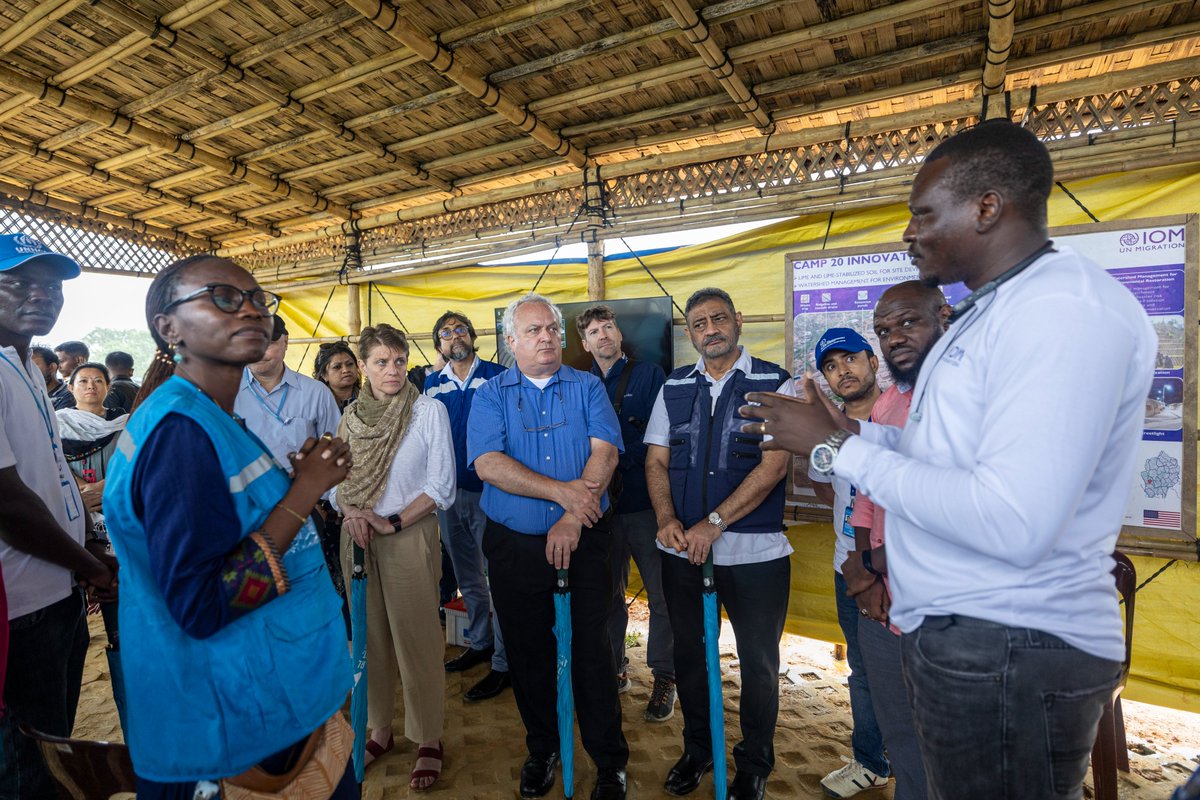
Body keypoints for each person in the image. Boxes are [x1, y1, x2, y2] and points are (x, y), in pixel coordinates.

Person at [741, 120, 1157, 800]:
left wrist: (839, 446)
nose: (909, 233)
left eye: (923, 213)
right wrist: (843, 433)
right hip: (969, 637)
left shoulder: (1061, 310)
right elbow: (937, 460)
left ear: (987, 207)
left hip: (1011, 647)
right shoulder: (992, 315)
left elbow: (1011, 518)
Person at [103, 254, 355, 800]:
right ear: (168, 328)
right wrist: (307, 490)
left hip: (275, 707)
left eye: (258, 299)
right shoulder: (178, 434)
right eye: (222, 297)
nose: (249, 309)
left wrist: (294, 486)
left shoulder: (211, 416)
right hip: (232, 737)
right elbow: (203, 603)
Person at [468, 293, 629, 800]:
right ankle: (543, 750)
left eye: (553, 330)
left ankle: (609, 762)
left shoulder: (587, 387)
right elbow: (488, 463)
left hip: (584, 540)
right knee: (528, 652)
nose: (547, 339)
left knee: (592, 653)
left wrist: (570, 519)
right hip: (513, 544)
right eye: (534, 331)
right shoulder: (491, 395)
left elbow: (605, 452)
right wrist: (563, 495)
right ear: (511, 341)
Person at [644, 287, 794, 800]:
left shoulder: (775, 382)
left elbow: (775, 466)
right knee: (690, 657)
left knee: (758, 664)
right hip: (682, 552)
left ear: (738, 321)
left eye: (719, 318)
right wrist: (666, 518)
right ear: (689, 333)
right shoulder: (674, 386)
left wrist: (714, 521)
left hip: (756, 555)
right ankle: (698, 749)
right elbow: (656, 461)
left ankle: (754, 763)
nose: (711, 328)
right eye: (700, 322)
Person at [0, 234, 116, 799]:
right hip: (20, 605)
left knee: (52, 750)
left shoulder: (25, 365)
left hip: (57, 589)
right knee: (28, 765)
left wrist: (87, 549)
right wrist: (90, 565)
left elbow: (49, 475)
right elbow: (8, 503)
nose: (40, 294)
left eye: (50, 285)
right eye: (18, 281)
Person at [331, 323, 455, 790]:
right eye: (381, 362)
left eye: (399, 361)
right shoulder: (351, 417)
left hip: (408, 534)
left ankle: (428, 738)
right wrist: (350, 511)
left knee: (417, 637)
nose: (392, 370)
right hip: (358, 535)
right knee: (369, 638)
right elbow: (334, 480)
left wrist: (394, 521)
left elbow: (441, 485)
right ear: (362, 367)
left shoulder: (427, 412)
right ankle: (378, 728)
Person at [840, 282, 950, 800]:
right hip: (886, 609)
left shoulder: (969, 397)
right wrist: (863, 570)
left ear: (944, 316)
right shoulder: (890, 402)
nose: (894, 339)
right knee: (904, 744)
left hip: (947, 616)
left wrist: (869, 564)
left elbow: (948, 517)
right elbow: (868, 494)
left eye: (908, 323)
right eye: (884, 330)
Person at [576, 304, 676, 722]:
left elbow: (664, 440)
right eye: (594, 331)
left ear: (619, 334)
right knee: (606, 596)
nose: (602, 335)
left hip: (644, 506)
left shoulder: (650, 375)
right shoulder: (578, 384)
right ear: (583, 344)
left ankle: (664, 677)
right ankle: (615, 668)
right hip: (597, 512)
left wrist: (615, 457)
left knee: (662, 595)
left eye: (608, 327)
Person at [806, 328, 890, 798]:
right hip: (849, 569)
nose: (844, 371)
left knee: (906, 671)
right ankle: (872, 762)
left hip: (901, 571)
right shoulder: (827, 430)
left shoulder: (902, 414)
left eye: (850, 359)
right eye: (832, 367)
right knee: (862, 670)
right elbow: (825, 482)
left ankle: (902, 755)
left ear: (872, 361)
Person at [424, 311, 510, 702]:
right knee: (467, 575)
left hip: (492, 493)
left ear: (474, 337)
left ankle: (505, 663)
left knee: (499, 577)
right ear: (438, 345)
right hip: (448, 495)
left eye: (461, 329)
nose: (454, 336)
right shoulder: (432, 385)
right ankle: (480, 642)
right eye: (446, 332)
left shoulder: (498, 377)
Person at [235, 315, 342, 473]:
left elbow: (334, 450)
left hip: (304, 492)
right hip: (245, 494)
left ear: (285, 342)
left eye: (268, 343)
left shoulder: (316, 393)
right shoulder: (227, 392)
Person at [57, 362, 129, 524]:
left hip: (118, 495)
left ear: (108, 387)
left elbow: (132, 459)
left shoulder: (125, 422)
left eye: (98, 381)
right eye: (83, 381)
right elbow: (51, 460)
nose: (91, 386)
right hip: (74, 499)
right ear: (70, 388)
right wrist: (82, 488)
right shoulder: (57, 422)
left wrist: (102, 486)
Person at [314, 341, 361, 412]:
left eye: (350, 364)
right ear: (324, 375)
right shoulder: (315, 404)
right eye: (337, 367)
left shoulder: (369, 400)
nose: (345, 370)